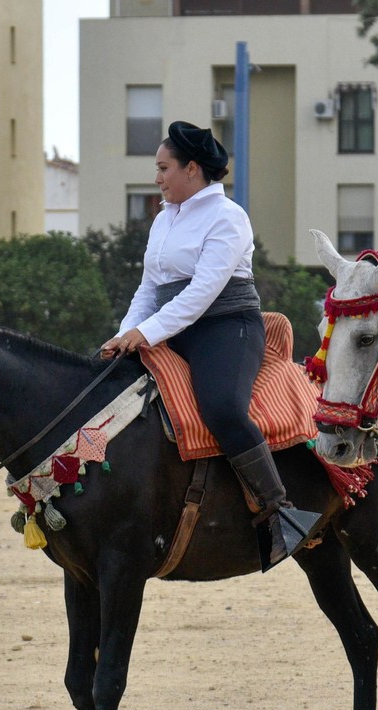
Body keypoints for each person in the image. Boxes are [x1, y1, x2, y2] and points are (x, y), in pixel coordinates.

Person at [100, 121, 320, 570]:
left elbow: (202, 292)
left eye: (163, 168)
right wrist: (126, 333)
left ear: (192, 169)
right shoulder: (163, 218)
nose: (157, 178)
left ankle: (279, 512)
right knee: (107, 385)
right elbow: (149, 288)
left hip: (225, 329)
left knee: (222, 408)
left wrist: (148, 332)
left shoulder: (229, 217)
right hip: (169, 326)